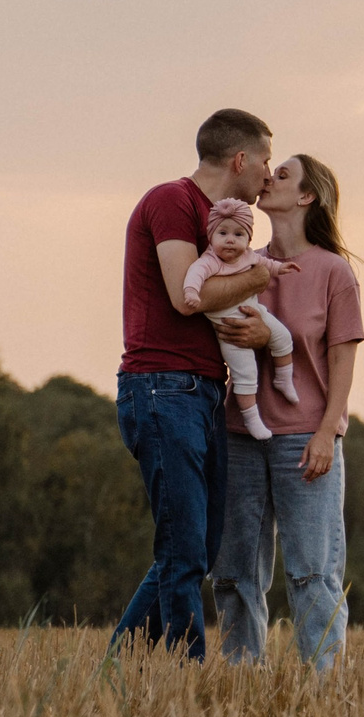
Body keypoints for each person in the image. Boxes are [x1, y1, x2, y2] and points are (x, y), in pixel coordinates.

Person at [112, 108, 280, 660]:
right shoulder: (172, 200)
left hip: (204, 393)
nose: (267, 176)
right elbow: (192, 296)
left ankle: (120, 667)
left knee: (197, 550)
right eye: (265, 162)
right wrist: (259, 274)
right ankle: (187, 677)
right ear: (240, 159)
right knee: (182, 550)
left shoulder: (220, 226)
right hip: (162, 389)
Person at [214, 151, 364, 670]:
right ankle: (238, 684)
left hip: (305, 438)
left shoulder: (334, 272)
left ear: (306, 196)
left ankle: (324, 695)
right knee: (234, 572)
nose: (268, 178)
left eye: (282, 175)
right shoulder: (240, 259)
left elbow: (342, 362)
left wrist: (328, 433)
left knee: (312, 572)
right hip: (239, 434)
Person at [183, 196, 299, 435]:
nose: (230, 240)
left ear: (247, 240)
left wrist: (281, 268)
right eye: (222, 233)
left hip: (256, 312)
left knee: (284, 338)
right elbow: (194, 274)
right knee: (245, 374)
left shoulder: (247, 255)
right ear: (211, 236)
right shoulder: (209, 261)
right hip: (230, 327)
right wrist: (191, 292)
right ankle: (252, 418)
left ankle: (283, 378)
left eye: (238, 235)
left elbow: (265, 263)